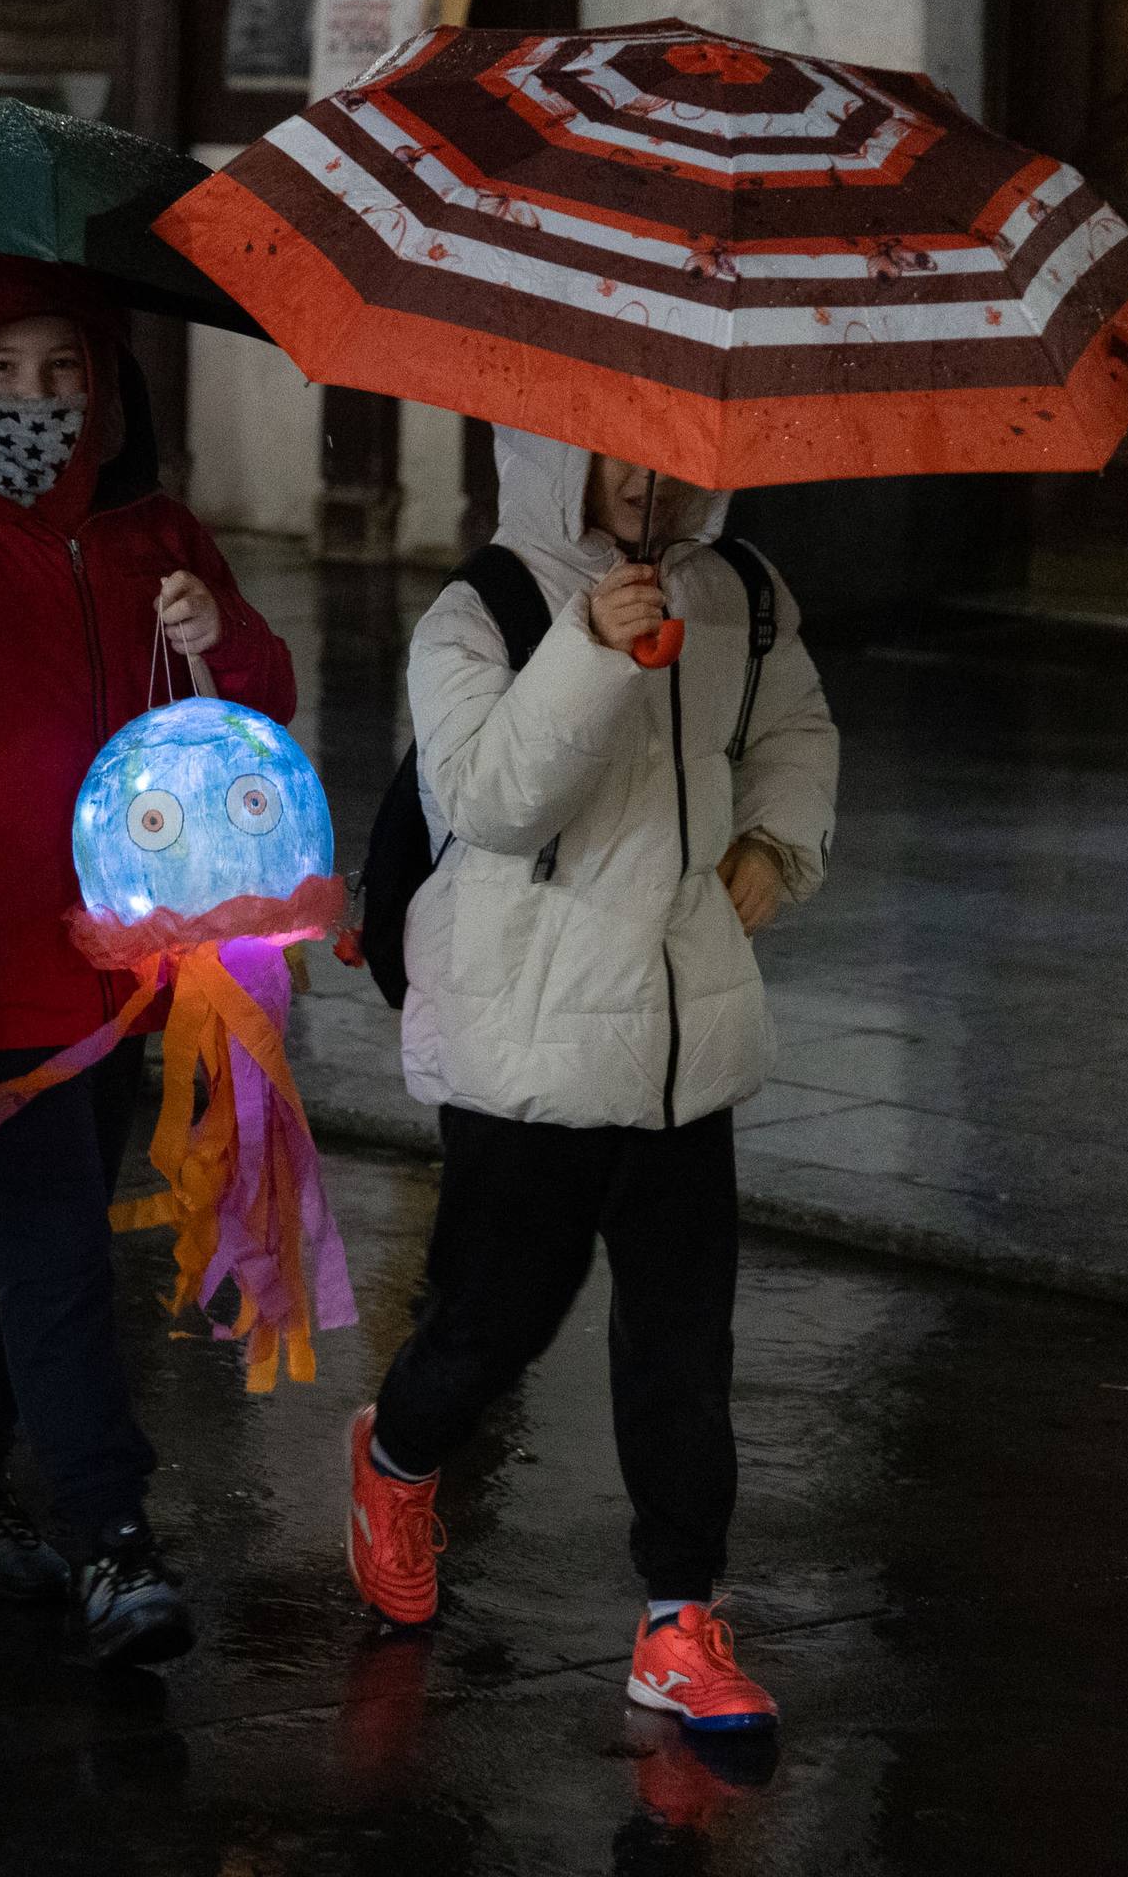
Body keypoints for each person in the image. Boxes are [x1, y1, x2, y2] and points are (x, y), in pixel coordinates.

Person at [0, 254, 297, 1668]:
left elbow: (259, 710)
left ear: (106, 387)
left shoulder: (158, 533)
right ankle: (109, 1535)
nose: (32, 398)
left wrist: (221, 641)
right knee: (54, 1243)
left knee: (26, 1234)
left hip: (124, 956)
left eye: (62, 370)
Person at [343, 430, 838, 1732]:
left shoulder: (741, 592)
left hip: (682, 1034)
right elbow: (491, 798)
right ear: (550, 449)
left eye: (673, 453)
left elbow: (792, 728)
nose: (646, 479)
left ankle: (676, 1619)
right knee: (494, 1321)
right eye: (616, 452)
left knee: (681, 1342)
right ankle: (396, 1453)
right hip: (526, 1038)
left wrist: (773, 842)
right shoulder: (483, 608)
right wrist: (589, 647)